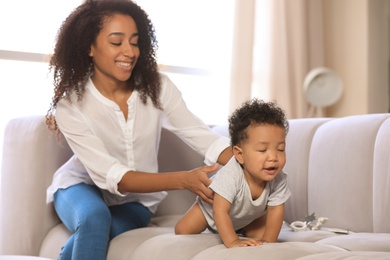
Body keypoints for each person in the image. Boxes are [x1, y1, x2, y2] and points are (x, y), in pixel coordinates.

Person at [45, 0, 233, 259]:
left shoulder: (158, 88)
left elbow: (201, 135)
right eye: (116, 42)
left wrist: (251, 163)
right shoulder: (70, 106)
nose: (130, 51)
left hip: (137, 202)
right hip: (81, 187)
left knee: (94, 237)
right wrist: (184, 180)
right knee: (94, 218)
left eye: (134, 42)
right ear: (89, 46)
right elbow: (116, 176)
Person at [175, 98, 291, 248]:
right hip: (210, 212)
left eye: (280, 149)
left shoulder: (278, 178)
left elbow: (276, 210)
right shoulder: (231, 174)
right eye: (263, 150)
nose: (273, 157)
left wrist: (268, 242)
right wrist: (233, 241)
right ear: (240, 154)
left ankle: (243, 228)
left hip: (246, 218)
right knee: (182, 230)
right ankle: (232, 231)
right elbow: (220, 211)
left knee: (261, 235)